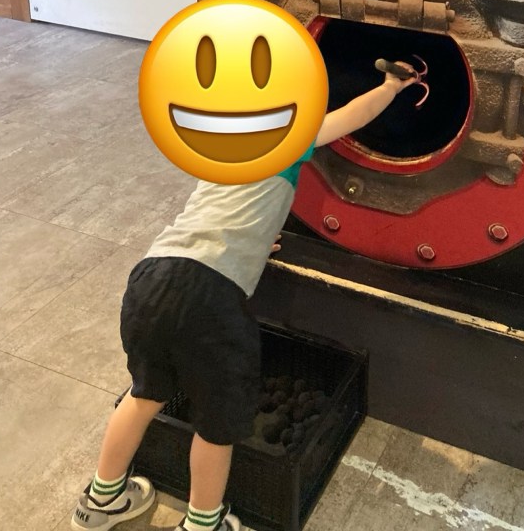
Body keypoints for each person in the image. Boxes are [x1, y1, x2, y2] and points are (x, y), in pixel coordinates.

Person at [70, 61, 418, 531]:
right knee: (217, 425)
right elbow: (356, 114)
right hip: (209, 297)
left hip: (152, 276)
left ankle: (100, 501)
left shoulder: (220, 154)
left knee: (144, 395)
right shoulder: (289, 138)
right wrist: (391, 86)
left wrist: (254, 242)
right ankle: (203, 523)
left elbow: (228, 212)